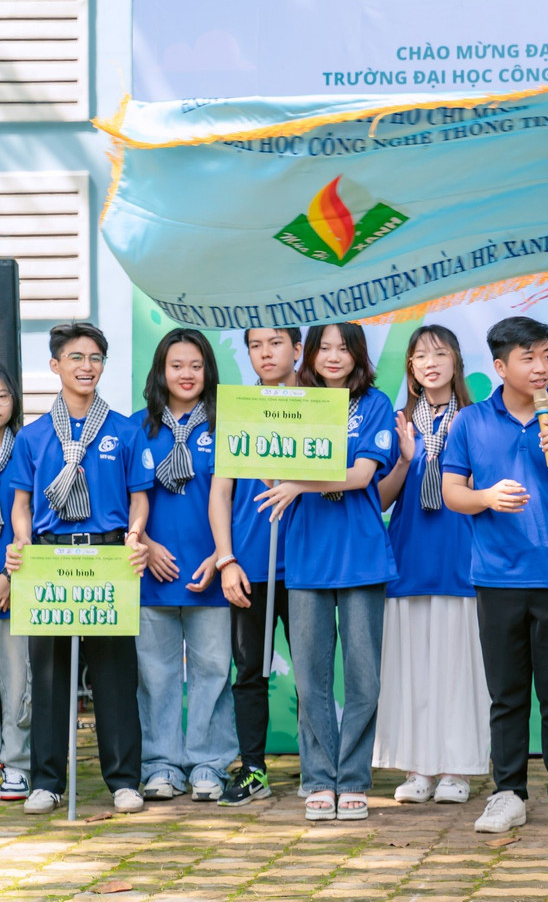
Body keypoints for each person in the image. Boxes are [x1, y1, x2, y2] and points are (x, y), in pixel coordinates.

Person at [443, 317, 548, 834]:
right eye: (527, 358)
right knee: (507, 694)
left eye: (546, 355)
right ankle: (507, 791)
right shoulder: (470, 422)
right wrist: (486, 497)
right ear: (500, 366)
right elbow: (450, 492)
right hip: (497, 578)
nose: (540, 367)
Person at [254, 322, 398, 821]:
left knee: (364, 678)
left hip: (359, 554)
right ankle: (318, 779)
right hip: (308, 554)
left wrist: (299, 484)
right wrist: (279, 471)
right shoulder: (292, 401)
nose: (334, 357)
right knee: (311, 677)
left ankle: (353, 779)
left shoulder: (375, 404)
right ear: (309, 354)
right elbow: (271, 470)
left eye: (344, 348)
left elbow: (362, 475)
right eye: (325, 348)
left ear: (358, 355)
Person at [7, 322, 152, 815]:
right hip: (50, 560)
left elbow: (139, 497)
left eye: (94, 358)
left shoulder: (123, 430)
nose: (86, 366)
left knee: (114, 675)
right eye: (75, 357)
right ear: (55, 366)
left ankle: (123, 780)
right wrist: (22, 545)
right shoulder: (33, 435)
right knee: (47, 677)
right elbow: (21, 503)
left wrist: (135, 537)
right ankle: (47, 781)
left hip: (108, 557)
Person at [374, 325, 489, 806]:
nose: (431, 363)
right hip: (409, 555)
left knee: (459, 666)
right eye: (421, 356)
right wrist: (403, 459)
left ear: (457, 362)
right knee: (412, 666)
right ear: (411, 368)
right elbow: (378, 498)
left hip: (462, 556)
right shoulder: (399, 421)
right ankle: (418, 767)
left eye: (440, 353)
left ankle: (458, 769)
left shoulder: (478, 420)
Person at [135, 329, 237, 802]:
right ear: (161, 371)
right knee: (155, 675)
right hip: (150, 573)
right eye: (177, 365)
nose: (187, 374)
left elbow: (232, 499)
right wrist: (147, 544)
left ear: (208, 371)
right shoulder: (137, 428)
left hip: (210, 571)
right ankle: (159, 764)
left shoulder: (225, 427)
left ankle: (208, 763)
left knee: (213, 671)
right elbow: (124, 501)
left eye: (196, 365)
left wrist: (221, 556)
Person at [208, 327, 301, 807]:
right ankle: (254, 770)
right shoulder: (238, 409)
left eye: (276, 343)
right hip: (250, 566)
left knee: (313, 672)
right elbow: (220, 493)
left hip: (307, 565)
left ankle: (322, 770)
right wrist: (226, 559)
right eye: (256, 346)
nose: (266, 353)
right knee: (249, 671)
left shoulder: (316, 406)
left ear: (297, 350)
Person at [0, 365, 31, 801]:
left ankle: (18, 763)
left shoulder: (24, 448)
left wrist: (9, 574)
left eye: (2, 395)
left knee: (17, 681)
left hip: (16, 579)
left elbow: (30, 517)